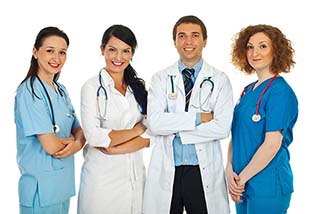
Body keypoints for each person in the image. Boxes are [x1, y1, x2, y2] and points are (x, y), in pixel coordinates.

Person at [143, 15, 233, 214]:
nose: (188, 41)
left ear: (205, 41)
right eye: (182, 36)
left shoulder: (220, 79)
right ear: (174, 41)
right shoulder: (159, 78)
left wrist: (176, 132)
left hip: (202, 172)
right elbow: (155, 123)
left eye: (195, 35)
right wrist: (199, 118)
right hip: (168, 169)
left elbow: (222, 127)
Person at [77, 24, 151, 214]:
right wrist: (136, 132)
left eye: (126, 51)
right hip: (102, 183)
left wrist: (120, 140)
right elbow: (94, 137)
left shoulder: (139, 88)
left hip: (135, 179)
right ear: (102, 50)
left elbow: (153, 131)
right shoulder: (91, 88)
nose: (119, 58)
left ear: (132, 54)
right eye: (112, 50)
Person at [225, 24, 298, 214]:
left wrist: (242, 179)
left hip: (267, 184)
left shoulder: (280, 92)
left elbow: (272, 144)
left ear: (277, 50)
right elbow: (237, 135)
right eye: (250, 47)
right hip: (242, 182)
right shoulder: (248, 90)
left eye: (263, 46)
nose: (254, 52)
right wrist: (229, 168)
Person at [14, 26, 86, 213]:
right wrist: (76, 143)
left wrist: (76, 142)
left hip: (62, 188)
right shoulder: (29, 93)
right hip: (40, 191)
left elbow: (80, 130)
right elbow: (51, 146)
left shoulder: (61, 90)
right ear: (35, 52)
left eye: (62, 52)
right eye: (50, 51)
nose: (57, 58)